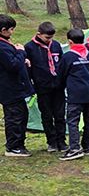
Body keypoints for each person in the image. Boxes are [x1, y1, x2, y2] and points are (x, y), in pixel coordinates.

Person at [24, 21, 65, 152]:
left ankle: (61, 141)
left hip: (58, 86)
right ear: (39, 34)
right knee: (47, 115)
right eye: (47, 38)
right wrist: (32, 86)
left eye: (51, 37)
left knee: (60, 115)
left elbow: (61, 64)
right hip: (42, 87)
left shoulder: (56, 45)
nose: (49, 40)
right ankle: (51, 141)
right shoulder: (29, 48)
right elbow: (28, 70)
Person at [58, 28, 89, 161]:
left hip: (76, 95)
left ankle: (75, 148)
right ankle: (87, 146)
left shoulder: (68, 56)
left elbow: (61, 74)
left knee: (73, 121)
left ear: (70, 41)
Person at [0, 15, 34, 157]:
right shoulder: (1, 47)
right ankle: (13, 147)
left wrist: (22, 59)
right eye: (11, 29)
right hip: (9, 89)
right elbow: (12, 65)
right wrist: (20, 52)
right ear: (3, 30)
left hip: (15, 88)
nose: (12, 32)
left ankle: (19, 144)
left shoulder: (5, 43)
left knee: (21, 115)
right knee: (14, 117)